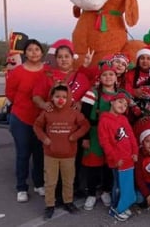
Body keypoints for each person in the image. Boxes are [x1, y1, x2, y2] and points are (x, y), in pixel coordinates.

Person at [32, 39, 90, 197]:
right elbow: (36, 96)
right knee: (52, 160)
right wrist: (44, 105)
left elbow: (89, 96)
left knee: (73, 160)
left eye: (67, 56)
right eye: (60, 57)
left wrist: (79, 102)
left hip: (72, 127)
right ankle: (54, 193)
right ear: (56, 59)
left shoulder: (81, 77)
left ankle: (72, 191)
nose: (64, 59)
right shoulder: (48, 76)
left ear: (73, 58)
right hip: (53, 127)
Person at [33, 84, 90, 219]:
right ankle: (49, 205)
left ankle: (68, 202)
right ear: (52, 98)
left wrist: (75, 136)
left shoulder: (74, 113)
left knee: (68, 180)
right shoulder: (47, 112)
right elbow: (37, 126)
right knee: (50, 181)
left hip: (69, 155)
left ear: (69, 98)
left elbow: (85, 125)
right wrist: (44, 138)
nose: (61, 99)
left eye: (64, 97)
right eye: (57, 96)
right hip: (50, 154)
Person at [5, 39, 48, 203]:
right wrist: (24, 105)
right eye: (30, 50)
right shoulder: (18, 72)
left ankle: (39, 183)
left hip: (42, 119)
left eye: (37, 49)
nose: (34, 52)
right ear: (25, 53)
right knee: (23, 154)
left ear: (41, 52)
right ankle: (21, 187)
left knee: (39, 154)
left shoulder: (47, 71)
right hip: (21, 118)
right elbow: (10, 93)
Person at [80, 62, 120, 211]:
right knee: (93, 166)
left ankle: (105, 191)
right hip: (94, 133)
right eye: (105, 74)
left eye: (111, 74)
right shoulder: (92, 93)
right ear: (100, 77)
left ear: (116, 77)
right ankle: (91, 193)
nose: (108, 77)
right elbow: (83, 116)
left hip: (112, 136)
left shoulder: (120, 95)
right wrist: (85, 137)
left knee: (108, 166)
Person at [98, 92, 139, 222]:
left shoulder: (124, 119)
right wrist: (115, 158)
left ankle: (123, 204)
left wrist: (135, 152)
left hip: (128, 159)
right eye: (120, 102)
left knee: (127, 185)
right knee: (118, 185)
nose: (123, 105)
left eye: (126, 104)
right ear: (112, 102)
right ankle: (115, 207)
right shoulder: (104, 120)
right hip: (117, 161)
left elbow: (131, 136)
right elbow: (105, 142)